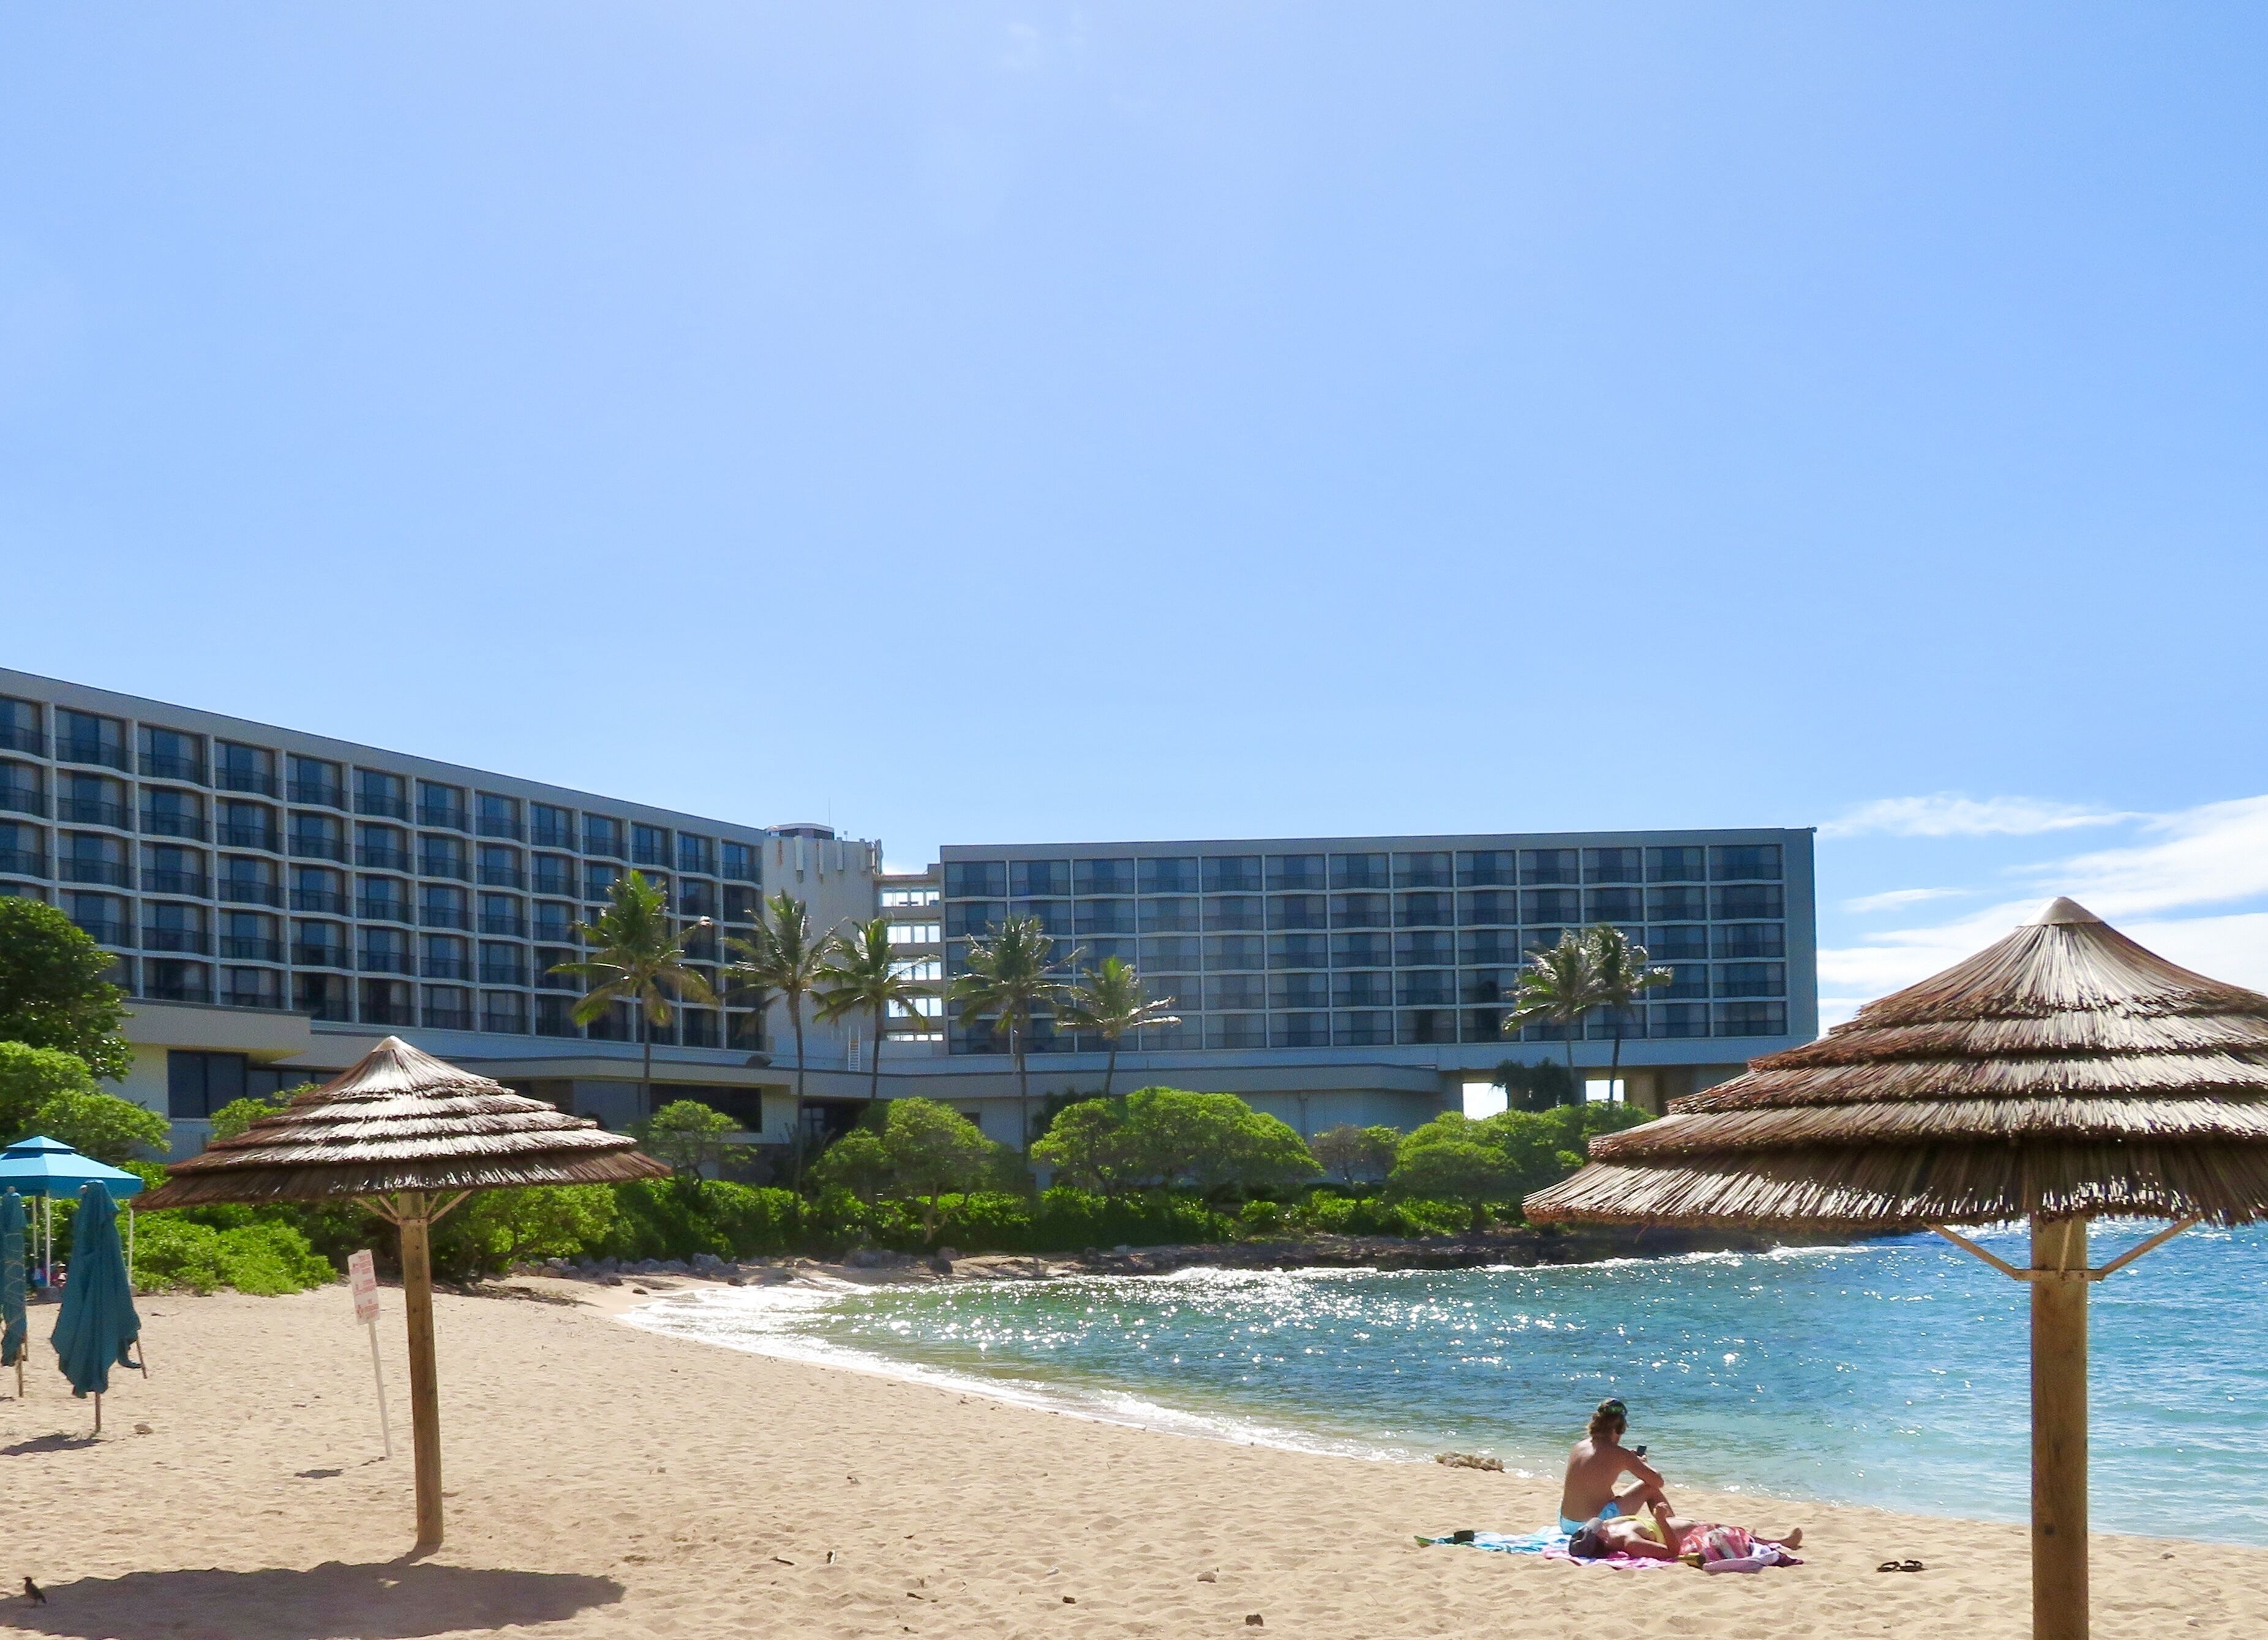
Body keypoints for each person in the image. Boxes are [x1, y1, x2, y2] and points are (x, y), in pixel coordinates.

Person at [1568, 1496, 1803, 1566]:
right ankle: (1781, 1542)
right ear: (1601, 1540)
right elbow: (1672, 1551)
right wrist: (1660, 1520)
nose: (1598, 1525)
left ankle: (1765, 1538)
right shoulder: (1630, 1542)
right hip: (1693, 1535)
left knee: (1722, 1527)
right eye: (1594, 1530)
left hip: (1684, 1524)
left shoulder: (1609, 1528)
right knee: (1724, 1531)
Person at [1557, 1397, 1671, 1535]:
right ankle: (1674, 1530)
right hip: (1593, 1526)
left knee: (1610, 1498)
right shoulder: (1621, 1455)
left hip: (1566, 1523)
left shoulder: (1579, 1446)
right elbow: (1658, 1482)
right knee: (1649, 1488)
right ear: (1620, 1428)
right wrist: (1643, 1464)